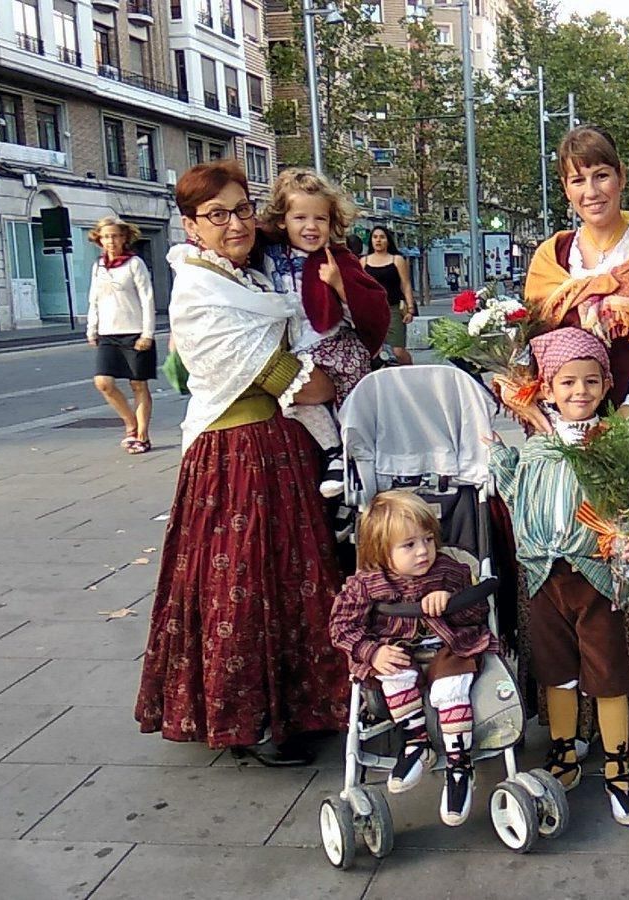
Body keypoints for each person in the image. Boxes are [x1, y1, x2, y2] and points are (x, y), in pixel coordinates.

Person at [134, 160, 348, 766]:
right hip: (234, 452)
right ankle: (245, 721)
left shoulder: (243, 277)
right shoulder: (201, 288)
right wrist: (335, 383)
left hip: (275, 446)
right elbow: (278, 375)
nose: (235, 224)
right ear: (189, 224)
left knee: (292, 578)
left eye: (242, 210)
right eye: (218, 214)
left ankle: (299, 706)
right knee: (242, 584)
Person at [510, 125, 629, 770]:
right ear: (564, 188)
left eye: (600, 174)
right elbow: (527, 354)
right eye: (575, 178)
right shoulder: (551, 259)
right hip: (560, 448)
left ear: (621, 177)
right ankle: (576, 729)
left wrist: (619, 429)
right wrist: (533, 407)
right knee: (565, 586)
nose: (590, 190)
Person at [487, 327, 629, 826]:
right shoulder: (535, 449)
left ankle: (618, 766)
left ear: (605, 388)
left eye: (592, 382)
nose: (580, 392)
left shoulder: (613, 445)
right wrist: (496, 456)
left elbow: (628, 507)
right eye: (568, 382)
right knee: (557, 670)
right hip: (543, 581)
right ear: (549, 389)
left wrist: (627, 541)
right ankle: (564, 751)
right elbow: (515, 498)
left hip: (595, 581)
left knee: (608, 671)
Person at [329, 491, 494, 827]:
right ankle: (415, 742)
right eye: (409, 545)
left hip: (449, 647)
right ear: (381, 551)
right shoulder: (367, 583)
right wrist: (371, 651)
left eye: (429, 540)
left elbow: (479, 612)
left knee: (451, 684)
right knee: (394, 671)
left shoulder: (449, 570)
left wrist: (452, 601)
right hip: (396, 650)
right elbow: (340, 625)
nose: (423, 551)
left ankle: (459, 762)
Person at [261, 168, 390, 497]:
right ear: (282, 221)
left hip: (333, 345)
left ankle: (352, 463)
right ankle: (335, 453)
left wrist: (338, 284)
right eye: (300, 217)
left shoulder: (338, 259)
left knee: (347, 409)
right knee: (293, 400)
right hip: (298, 349)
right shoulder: (270, 257)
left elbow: (372, 306)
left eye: (320, 219)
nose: (310, 226)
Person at [86, 215, 157, 455]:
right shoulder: (98, 266)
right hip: (108, 333)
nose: (110, 241)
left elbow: (147, 299)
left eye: (115, 236)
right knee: (103, 383)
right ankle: (130, 423)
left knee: (138, 384)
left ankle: (142, 436)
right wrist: (91, 328)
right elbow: (93, 299)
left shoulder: (134, 263)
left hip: (135, 332)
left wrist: (147, 333)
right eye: (106, 237)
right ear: (99, 240)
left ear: (124, 237)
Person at [361, 225, 416, 365]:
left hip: (393, 309)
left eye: (382, 237)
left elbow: (406, 284)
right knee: (376, 351)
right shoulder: (363, 261)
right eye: (375, 237)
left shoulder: (397, 260)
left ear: (388, 240)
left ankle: (411, 373)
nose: (378, 240)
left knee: (398, 351)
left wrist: (410, 308)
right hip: (371, 312)